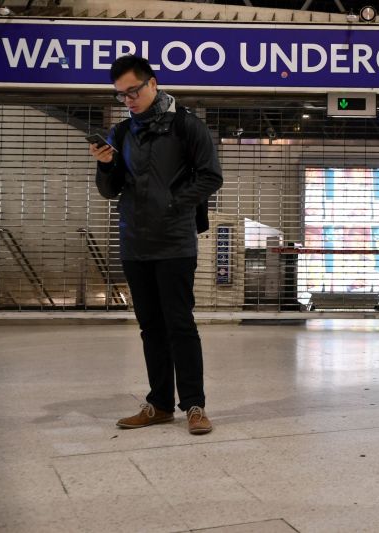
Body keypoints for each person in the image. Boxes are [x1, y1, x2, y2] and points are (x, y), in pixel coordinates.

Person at [89, 55, 223, 435]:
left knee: (180, 324)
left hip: (175, 242)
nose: (128, 100)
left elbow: (212, 176)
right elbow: (109, 190)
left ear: (153, 83)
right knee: (150, 327)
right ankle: (160, 404)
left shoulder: (186, 125)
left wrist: (174, 203)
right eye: (121, 95)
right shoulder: (121, 133)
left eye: (133, 91)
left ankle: (195, 406)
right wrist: (103, 165)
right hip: (134, 243)